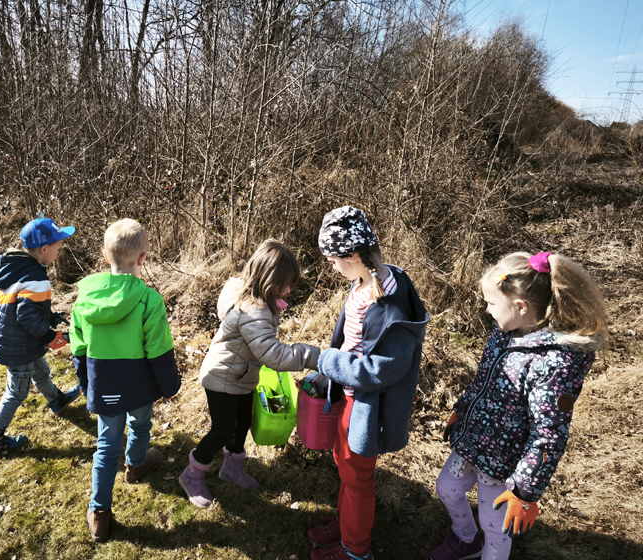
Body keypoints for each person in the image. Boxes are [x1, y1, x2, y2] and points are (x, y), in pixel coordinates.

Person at [431, 251, 607, 560]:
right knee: (446, 488)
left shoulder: (553, 364)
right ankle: (465, 538)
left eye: (491, 303)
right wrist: (462, 410)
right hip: (472, 442)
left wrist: (525, 491)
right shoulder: (503, 335)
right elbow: (482, 382)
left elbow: (548, 435)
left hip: (504, 462)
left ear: (520, 306)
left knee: (495, 526)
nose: (486, 310)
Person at [309, 206, 429, 560]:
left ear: (355, 254)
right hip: (350, 397)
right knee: (345, 465)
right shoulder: (363, 282)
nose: (331, 266)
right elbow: (351, 339)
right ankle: (347, 524)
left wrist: (326, 361)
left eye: (333, 259)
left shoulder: (389, 299)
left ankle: (355, 549)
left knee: (358, 476)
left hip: (366, 404)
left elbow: (382, 368)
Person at [179, 239, 321, 508]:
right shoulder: (253, 310)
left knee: (242, 421)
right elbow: (272, 354)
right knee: (222, 430)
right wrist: (313, 356)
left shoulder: (257, 301)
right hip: (222, 378)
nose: (289, 290)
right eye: (285, 283)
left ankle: (231, 470)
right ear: (268, 279)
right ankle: (192, 475)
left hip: (240, 377)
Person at [69, 218, 180, 543]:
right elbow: (159, 351)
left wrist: (86, 385)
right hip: (139, 386)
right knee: (141, 424)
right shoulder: (149, 300)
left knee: (106, 444)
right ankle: (135, 465)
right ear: (143, 258)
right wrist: (169, 386)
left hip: (104, 384)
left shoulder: (84, 299)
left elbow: (79, 349)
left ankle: (99, 512)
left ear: (106, 256)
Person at [0, 216, 81, 458]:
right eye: (58, 247)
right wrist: (50, 335)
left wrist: (49, 316)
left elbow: (21, 306)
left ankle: (55, 399)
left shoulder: (16, 269)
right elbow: (26, 315)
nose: (60, 251)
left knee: (39, 369)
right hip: (19, 344)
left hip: (13, 340)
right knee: (16, 392)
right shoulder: (36, 276)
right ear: (44, 249)